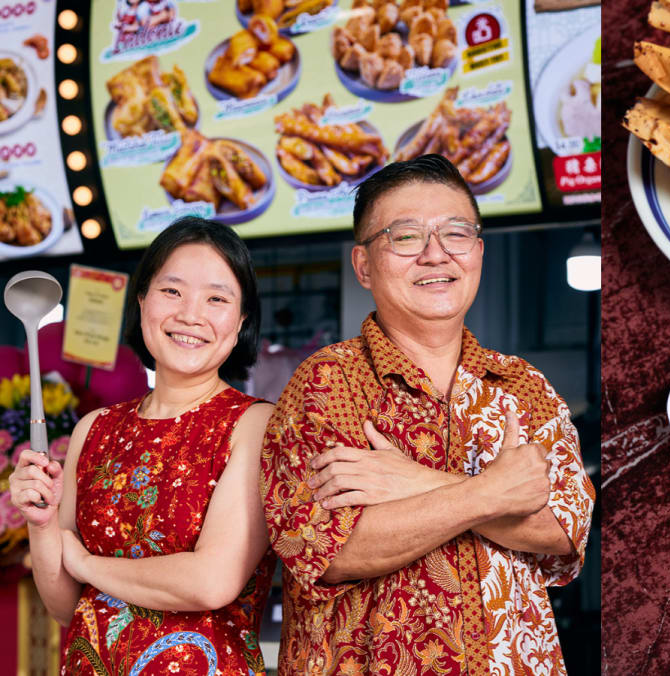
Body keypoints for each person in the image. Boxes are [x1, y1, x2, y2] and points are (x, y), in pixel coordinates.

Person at [261, 155, 595, 674]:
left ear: (478, 252)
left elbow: (565, 530)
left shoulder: (524, 387)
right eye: (406, 236)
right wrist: (491, 493)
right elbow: (321, 549)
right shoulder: (327, 382)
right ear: (365, 265)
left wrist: (412, 481)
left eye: (456, 233)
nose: (436, 254)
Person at [9, 217, 276, 674]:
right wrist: (41, 523)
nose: (191, 315)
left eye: (216, 298)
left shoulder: (254, 424)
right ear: (142, 300)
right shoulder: (93, 430)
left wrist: (84, 563)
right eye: (172, 291)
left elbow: (212, 581)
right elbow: (65, 607)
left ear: (240, 321)